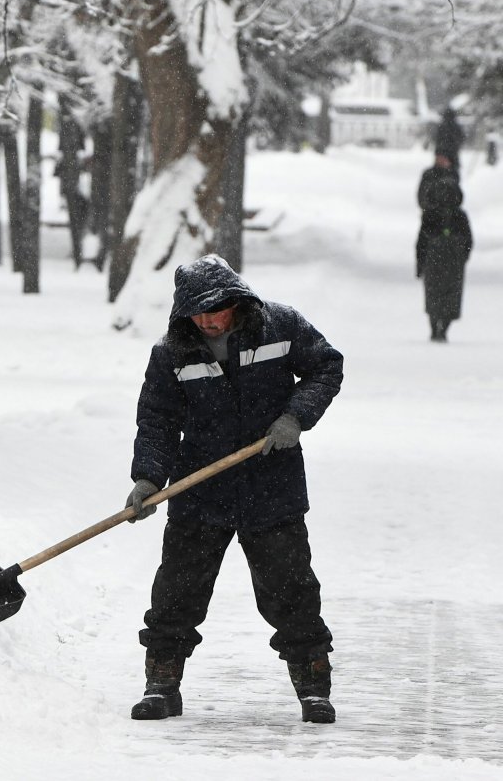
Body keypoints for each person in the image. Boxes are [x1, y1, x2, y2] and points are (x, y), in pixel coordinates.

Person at [125, 254, 344, 724]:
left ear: (235, 301)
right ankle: (162, 686)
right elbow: (158, 419)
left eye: (215, 310)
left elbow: (326, 366)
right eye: (197, 312)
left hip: (272, 483)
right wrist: (148, 477)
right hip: (200, 487)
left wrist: (295, 417)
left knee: (291, 590)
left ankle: (313, 688)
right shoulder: (172, 351)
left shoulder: (279, 326)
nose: (207, 320)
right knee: (176, 593)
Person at [416, 160, 473, 342]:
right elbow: (469, 240)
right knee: (450, 296)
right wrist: (463, 256)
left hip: (435, 262)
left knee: (434, 295)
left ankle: (435, 327)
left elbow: (421, 242)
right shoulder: (460, 216)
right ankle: (443, 328)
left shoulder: (430, 215)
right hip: (453, 263)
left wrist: (420, 263)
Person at [434, 107, 464, 176]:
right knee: (453, 173)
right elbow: (461, 138)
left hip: (441, 153)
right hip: (453, 153)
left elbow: (437, 138)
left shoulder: (441, 126)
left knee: (439, 173)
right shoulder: (456, 126)